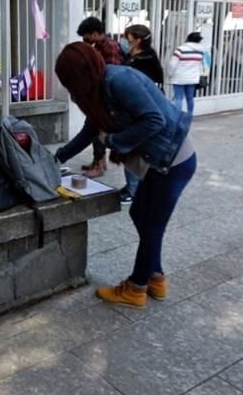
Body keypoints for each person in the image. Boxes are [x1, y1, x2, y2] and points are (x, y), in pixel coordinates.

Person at [55, 41, 195, 308]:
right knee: (139, 215)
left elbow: (155, 120)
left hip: (173, 160)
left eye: (69, 80)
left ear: (81, 74)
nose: (69, 88)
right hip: (159, 162)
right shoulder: (96, 90)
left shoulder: (119, 80)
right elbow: (89, 132)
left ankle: (136, 288)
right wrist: (57, 157)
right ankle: (155, 277)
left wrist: (114, 141)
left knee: (151, 226)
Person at [55, 16, 123, 177]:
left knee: (91, 132)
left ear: (94, 33)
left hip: (104, 99)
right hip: (98, 98)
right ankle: (97, 162)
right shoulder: (97, 46)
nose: (85, 41)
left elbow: (109, 74)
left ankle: (95, 165)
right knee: (92, 132)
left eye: (86, 36)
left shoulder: (109, 47)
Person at [120, 24, 165, 205]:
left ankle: (133, 190)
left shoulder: (141, 62)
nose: (124, 41)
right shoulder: (146, 57)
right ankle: (134, 187)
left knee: (134, 150)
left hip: (140, 114)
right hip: (142, 112)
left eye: (127, 38)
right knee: (137, 151)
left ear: (137, 40)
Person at [168, 31, 210, 116]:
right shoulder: (201, 51)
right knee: (190, 98)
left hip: (179, 77)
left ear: (187, 39)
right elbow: (203, 65)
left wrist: (169, 74)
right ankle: (190, 114)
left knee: (178, 97)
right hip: (192, 78)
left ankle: (177, 116)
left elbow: (172, 64)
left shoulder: (180, 49)